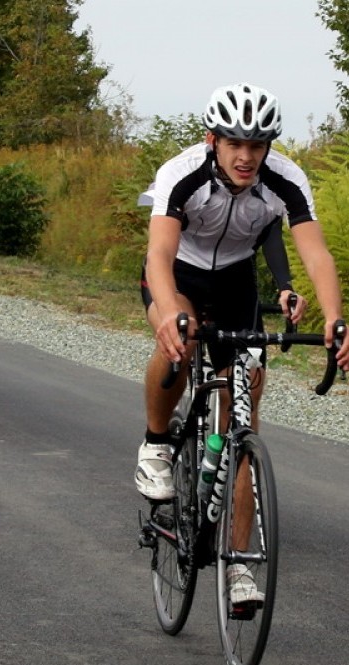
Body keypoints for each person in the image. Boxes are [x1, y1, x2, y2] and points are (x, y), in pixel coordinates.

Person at [135, 82, 349, 604]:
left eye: (257, 145)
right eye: (235, 143)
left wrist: (338, 319)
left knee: (244, 420)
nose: (246, 156)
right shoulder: (180, 174)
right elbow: (159, 254)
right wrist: (166, 313)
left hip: (234, 282)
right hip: (178, 274)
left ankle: (239, 567)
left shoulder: (286, 181)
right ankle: (157, 443)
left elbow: (315, 254)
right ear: (213, 140)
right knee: (179, 340)